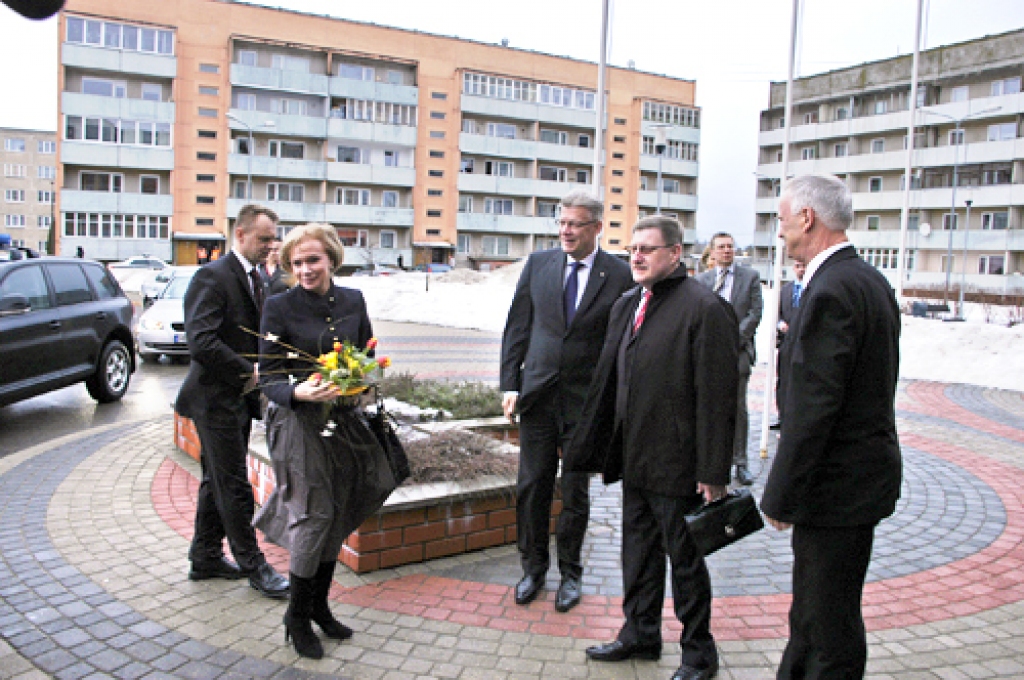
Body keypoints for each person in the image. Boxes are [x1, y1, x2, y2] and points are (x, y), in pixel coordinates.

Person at [565, 215, 739, 680]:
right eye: (632, 250)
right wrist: (590, 447)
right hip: (634, 459)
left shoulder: (705, 309)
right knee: (637, 556)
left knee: (685, 564)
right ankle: (639, 634)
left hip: (679, 466)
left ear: (675, 254)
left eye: (647, 249)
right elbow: (608, 382)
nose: (636, 257)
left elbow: (720, 399)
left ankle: (699, 655)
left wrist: (714, 471)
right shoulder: (627, 305)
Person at [761, 174, 902, 679]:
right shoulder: (868, 279)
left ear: (806, 217)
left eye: (781, 219)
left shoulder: (830, 289)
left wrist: (781, 492)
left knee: (828, 624)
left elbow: (815, 407)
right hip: (856, 480)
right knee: (816, 613)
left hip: (836, 486)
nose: (779, 231)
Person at [254, 223, 383, 659]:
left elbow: (364, 354)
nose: (305, 270)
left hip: (341, 419)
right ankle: (295, 616)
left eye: (312, 260)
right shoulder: (279, 306)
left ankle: (320, 608)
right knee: (314, 513)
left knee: (337, 511)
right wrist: (296, 391)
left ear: (330, 258)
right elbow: (268, 376)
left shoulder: (353, 300)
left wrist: (363, 383)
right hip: (296, 423)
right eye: (296, 263)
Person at [500, 190, 632, 612]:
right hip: (538, 396)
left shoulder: (619, 273)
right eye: (562, 223)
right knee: (532, 486)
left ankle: (571, 574)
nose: (566, 231)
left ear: (596, 227)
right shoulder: (539, 264)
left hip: (587, 403)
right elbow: (517, 326)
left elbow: (625, 340)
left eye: (575, 224)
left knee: (575, 492)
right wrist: (510, 384)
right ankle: (533, 568)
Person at [175, 204, 289, 599]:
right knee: (234, 485)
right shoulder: (213, 276)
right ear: (239, 235)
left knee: (216, 480)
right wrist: (250, 372)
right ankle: (254, 565)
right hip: (213, 400)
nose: (270, 245)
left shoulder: (258, 277)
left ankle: (205, 557)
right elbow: (201, 341)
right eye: (263, 238)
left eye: (273, 238)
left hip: (235, 401)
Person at [695, 232, 763, 486]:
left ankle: (740, 462)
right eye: (721, 247)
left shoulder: (750, 277)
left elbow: (756, 312)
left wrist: (734, 340)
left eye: (730, 246)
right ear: (712, 252)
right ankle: (708, 460)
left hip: (738, 351)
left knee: (737, 407)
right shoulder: (702, 280)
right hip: (707, 353)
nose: (727, 250)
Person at [771, 259, 806, 430]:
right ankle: (782, 415)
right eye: (798, 266)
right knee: (783, 380)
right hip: (786, 343)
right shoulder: (785, 290)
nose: (801, 270)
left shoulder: (814, 289)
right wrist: (780, 324)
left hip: (805, 344)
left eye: (803, 266)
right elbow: (776, 314)